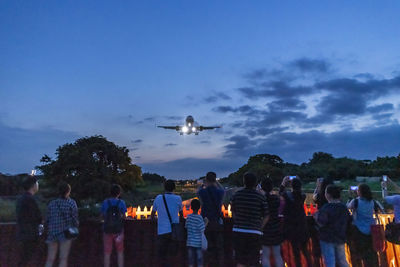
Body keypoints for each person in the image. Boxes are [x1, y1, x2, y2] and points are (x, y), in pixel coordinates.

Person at [231, 172, 269, 267]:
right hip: (254, 232)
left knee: (240, 260)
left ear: (244, 181)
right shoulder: (260, 197)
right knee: (254, 261)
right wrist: (260, 227)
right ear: (256, 183)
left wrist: (237, 221)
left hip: (239, 230)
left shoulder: (237, 195)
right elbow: (267, 215)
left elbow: (233, 211)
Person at [347, 183, 383, 267]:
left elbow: (348, 207)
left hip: (358, 230)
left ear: (360, 192)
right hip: (372, 231)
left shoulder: (355, 201)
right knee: (372, 253)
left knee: (360, 253)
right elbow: (381, 210)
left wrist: (350, 197)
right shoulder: (373, 202)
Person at [280, 176, 312, 267]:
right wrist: (297, 180)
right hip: (302, 227)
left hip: (292, 229)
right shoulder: (302, 196)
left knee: (296, 253)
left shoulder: (287, 196)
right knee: (306, 252)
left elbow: (280, 193)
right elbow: (299, 192)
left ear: (291, 186)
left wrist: (283, 183)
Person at [314, 185, 350, 267]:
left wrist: (316, 217)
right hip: (340, 237)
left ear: (328, 195)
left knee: (330, 261)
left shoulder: (326, 208)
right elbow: (348, 220)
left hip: (327, 238)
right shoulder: (343, 207)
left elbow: (322, 222)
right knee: (342, 260)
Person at [45, 182, 79, 267]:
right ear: (68, 191)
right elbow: (75, 219)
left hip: (52, 233)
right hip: (65, 234)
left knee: (50, 258)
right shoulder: (71, 203)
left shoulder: (52, 203)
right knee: (63, 258)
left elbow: (47, 219)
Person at [151, 179, 183, 267]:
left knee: (162, 256)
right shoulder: (178, 198)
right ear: (174, 188)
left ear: (164, 188)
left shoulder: (158, 198)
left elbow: (152, 214)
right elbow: (181, 215)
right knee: (173, 256)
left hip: (162, 231)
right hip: (174, 232)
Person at [197, 171, 225, 267]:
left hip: (205, 222)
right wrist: (216, 182)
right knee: (217, 246)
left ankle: (208, 264)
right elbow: (223, 189)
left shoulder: (202, 192)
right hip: (217, 221)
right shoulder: (220, 192)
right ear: (214, 179)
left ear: (206, 180)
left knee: (208, 246)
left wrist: (202, 184)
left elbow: (198, 192)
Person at [16, 175, 43, 267]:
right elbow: (36, 216)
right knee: (25, 259)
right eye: (37, 183)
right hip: (29, 235)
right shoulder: (30, 199)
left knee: (23, 259)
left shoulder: (21, 199)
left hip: (22, 233)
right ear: (33, 185)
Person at [101, 184, 127, 267]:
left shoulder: (105, 202)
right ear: (119, 193)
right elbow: (124, 216)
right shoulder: (121, 202)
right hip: (118, 231)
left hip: (107, 230)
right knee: (120, 252)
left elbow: (102, 215)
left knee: (107, 253)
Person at [260, 178, 284, 267]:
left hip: (265, 229)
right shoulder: (276, 199)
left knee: (265, 254)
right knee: (277, 254)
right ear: (272, 187)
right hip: (276, 228)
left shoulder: (261, 199)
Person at [185, 199, 207, 267]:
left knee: (190, 260)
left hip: (190, 242)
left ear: (191, 207)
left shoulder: (188, 217)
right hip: (198, 243)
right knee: (199, 260)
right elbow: (202, 229)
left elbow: (186, 226)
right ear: (199, 207)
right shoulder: (199, 218)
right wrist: (206, 222)